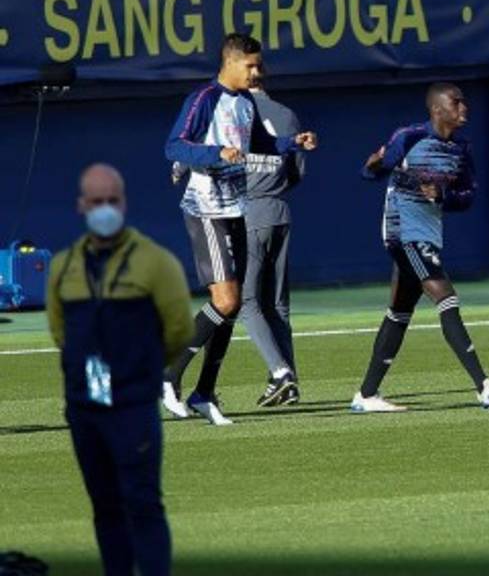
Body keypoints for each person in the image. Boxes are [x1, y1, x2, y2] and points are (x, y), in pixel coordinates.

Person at [162, 34, 317, 426]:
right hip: (207, 208)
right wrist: (216, 154)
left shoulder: (247, 103)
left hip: (239, 207)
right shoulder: (204, 99)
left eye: (258, 65)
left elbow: (263, 143)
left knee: (230, 309)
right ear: (229, 62)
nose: (257, 72)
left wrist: (290, 143)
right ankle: (168, 376)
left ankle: (203, 392)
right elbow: (174, 147)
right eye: (250, 65)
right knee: (229, 300)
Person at [48, 164, 193, 576]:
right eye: (97, 202)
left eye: (112, 200)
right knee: (104, 506)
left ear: (124, 203)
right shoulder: (64, 266)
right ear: (82, 206)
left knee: (143, 502)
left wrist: (139, 369)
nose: (105, 208)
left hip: (132, 403)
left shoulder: (155, 263)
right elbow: (61, 331)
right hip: (85, 405)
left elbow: (179, 329)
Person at [353, 83, 489, 411]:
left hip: (428, 233)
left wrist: (444, 196)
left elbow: (468, 197)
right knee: (446, 295)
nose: (463, 108)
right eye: (456, 103)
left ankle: (366, 395)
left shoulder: (461, 149)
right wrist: (372, 164)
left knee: (399, 313)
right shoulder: (409, 137)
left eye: (464, 102)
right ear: (436, 109)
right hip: (402, 233)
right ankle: (483, 385)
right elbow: (372, 172)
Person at [238, 76, 306, 407]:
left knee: (247, 302)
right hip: (280, 212)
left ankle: (281, 373)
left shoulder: (233, 112)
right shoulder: (286, 114)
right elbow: (297, 172)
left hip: (248, 211)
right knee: (278, 305)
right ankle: (288, 383)